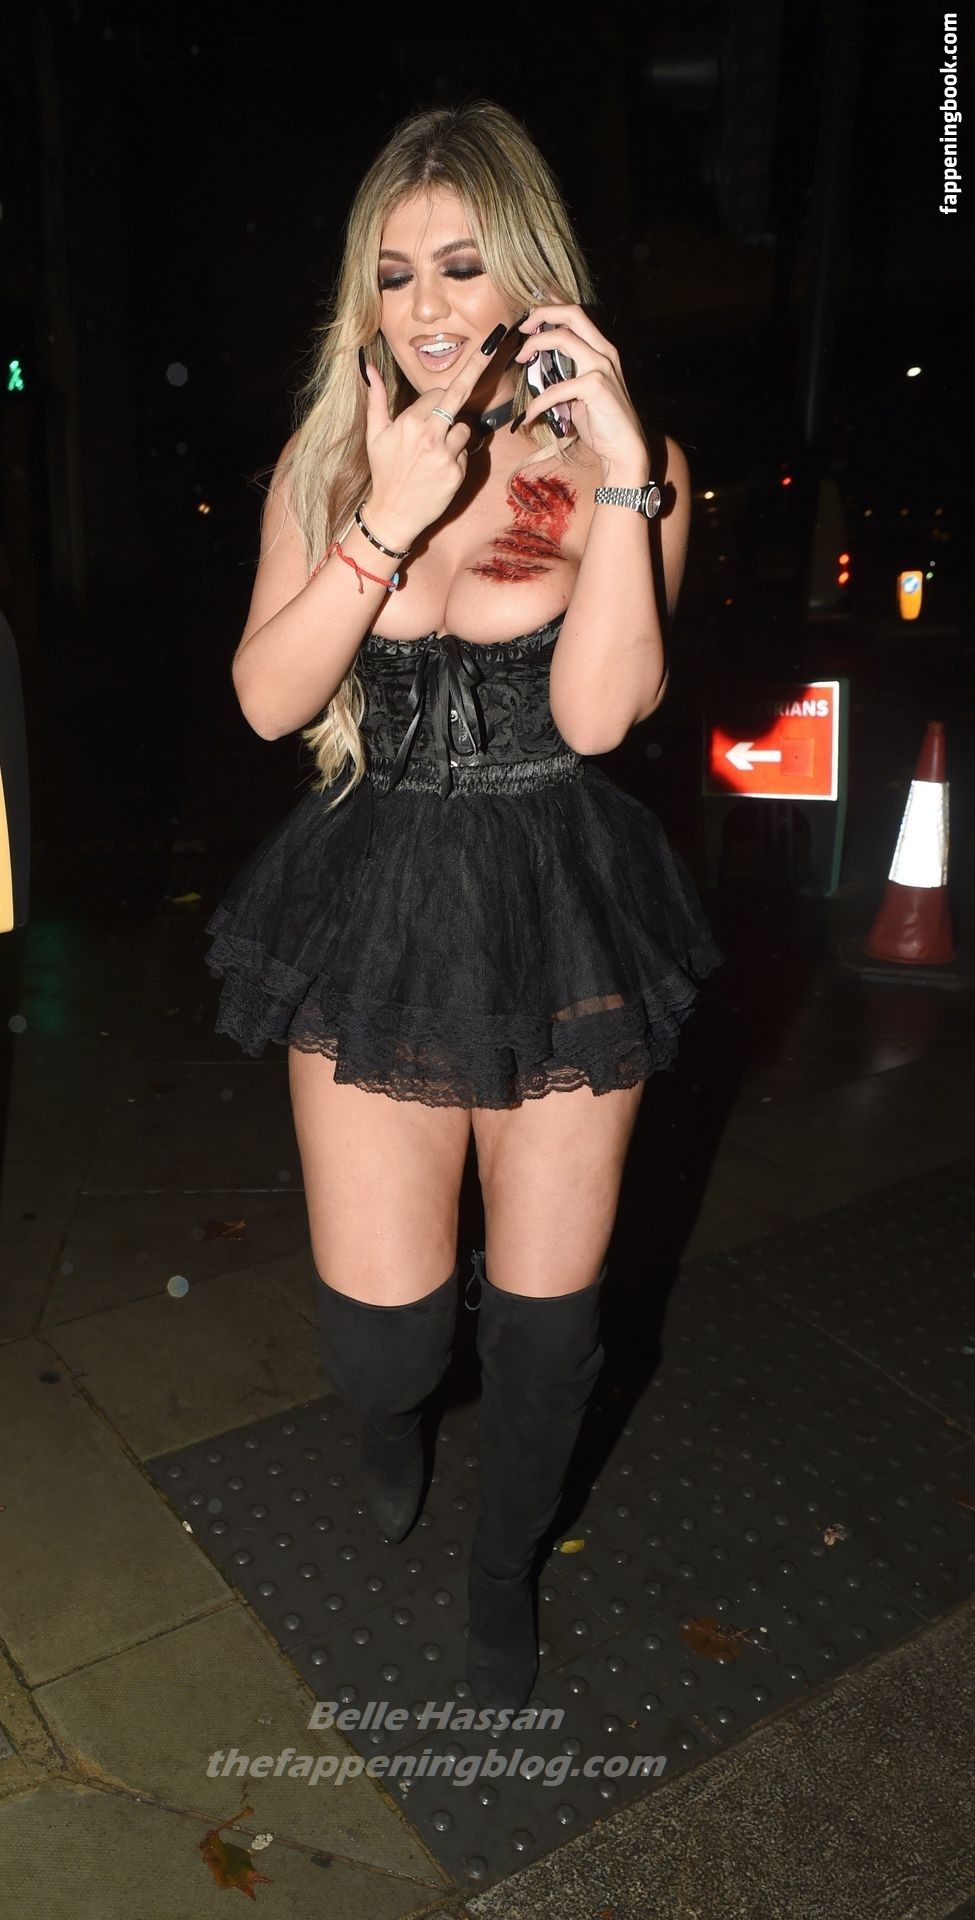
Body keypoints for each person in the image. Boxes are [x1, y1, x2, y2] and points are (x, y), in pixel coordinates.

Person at [204, 99, 723, 1713]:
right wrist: (384, 511)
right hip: (373, 902)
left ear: (530, 277)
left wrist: (622, 478)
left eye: (459, 265)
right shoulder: (328, 464)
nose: (426, 307)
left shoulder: (626, 470)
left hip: (563, 903)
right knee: (386, 1343)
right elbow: (268, 701)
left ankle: (505, 1573)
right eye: (394, 274)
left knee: (549, 1332)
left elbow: (599, 716)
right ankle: (391, 1429)